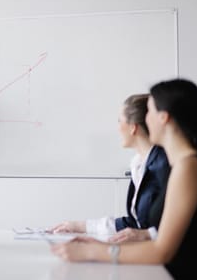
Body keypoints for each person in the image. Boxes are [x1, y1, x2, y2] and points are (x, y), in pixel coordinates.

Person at [51, 79, 197, 279]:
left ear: (164, 118)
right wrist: (101, 245)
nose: (145, 120)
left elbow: (162, 250)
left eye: (149, 112)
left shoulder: (188, 166)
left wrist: (92, 252)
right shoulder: (183, 164)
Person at [50, 94, 170, 242]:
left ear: (133, 128)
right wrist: (79, 226)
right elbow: (135, 225)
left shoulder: (163, 164)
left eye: (119, 121)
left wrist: (149, 234)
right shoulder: (139, 165)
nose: (118, 127)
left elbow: (176, 225)